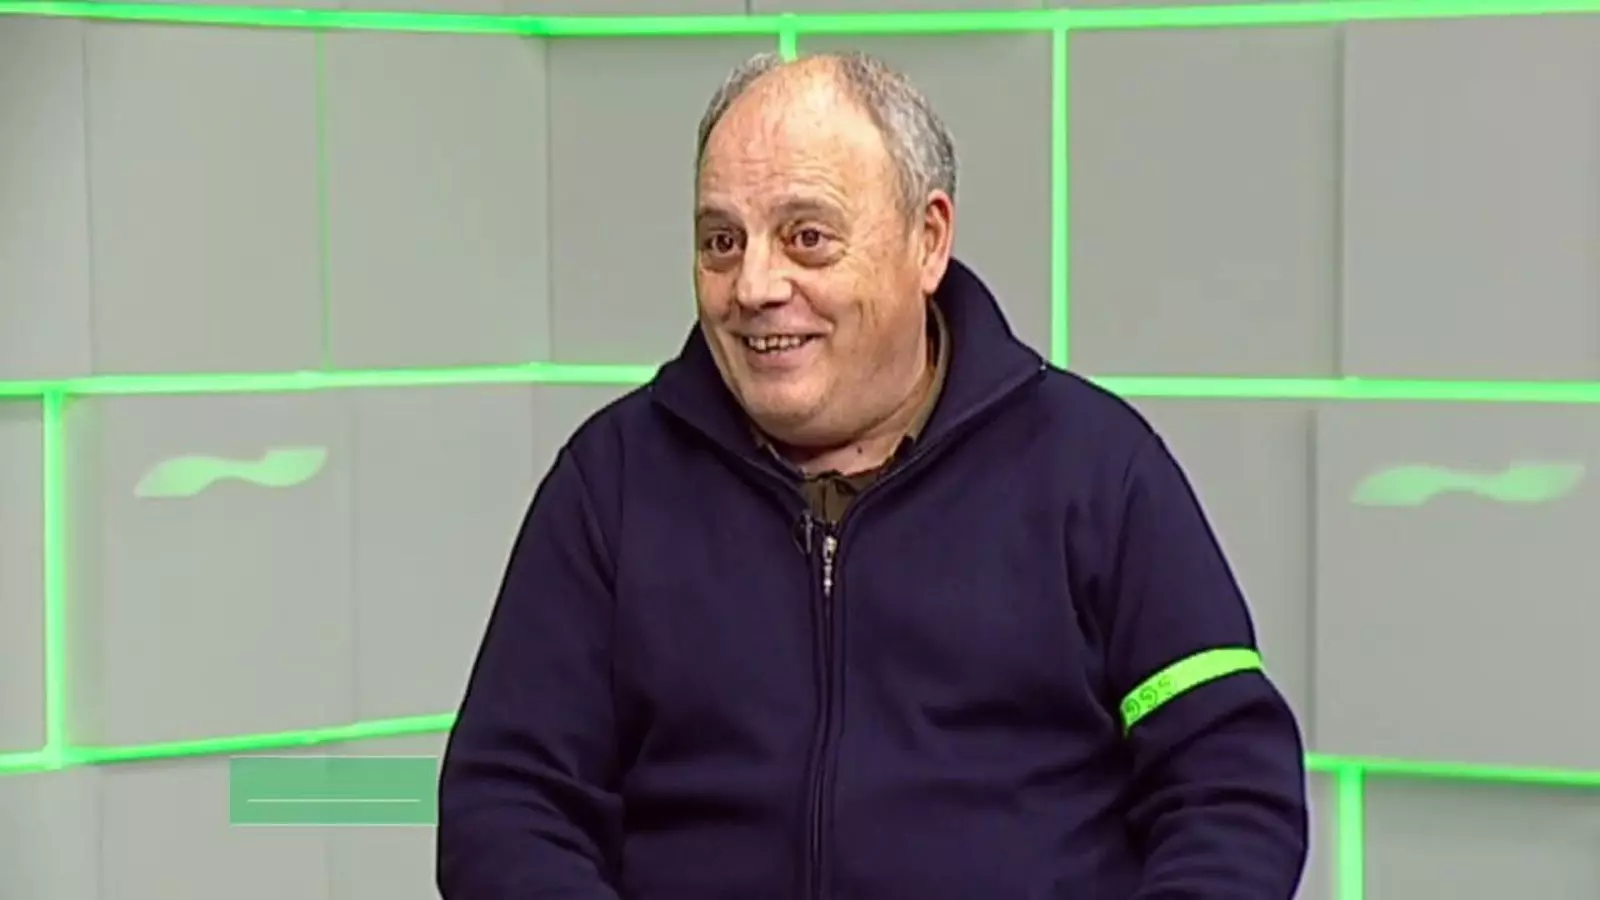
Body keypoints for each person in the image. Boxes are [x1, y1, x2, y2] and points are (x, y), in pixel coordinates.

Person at [436, 50, 1309, 900]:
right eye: (721, 241)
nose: (754, 285)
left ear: (928, 241)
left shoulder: (1096, 468)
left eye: (807, 238)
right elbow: (506, 805)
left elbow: (1231, 784)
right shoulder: (612, 482)